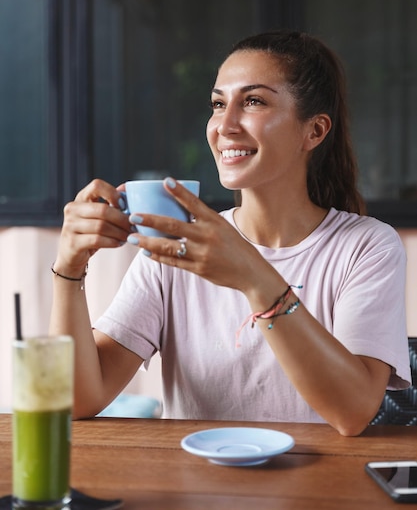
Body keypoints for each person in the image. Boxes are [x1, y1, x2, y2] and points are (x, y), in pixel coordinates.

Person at [50, 29, 411, 436]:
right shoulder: (177, 247)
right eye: (218, 104)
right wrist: (69, 269)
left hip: (316, 489)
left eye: (253, 101)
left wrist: (255, 278)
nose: (225, 125)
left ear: (314, 131)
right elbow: (76, 400)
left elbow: (354, 412)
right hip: (195, 490)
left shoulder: (366, 246)